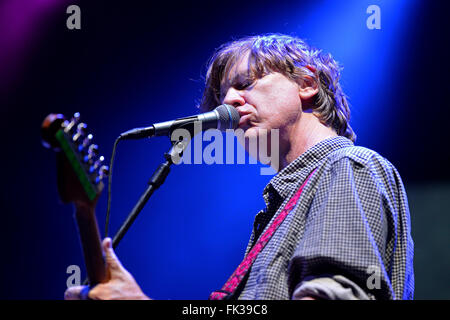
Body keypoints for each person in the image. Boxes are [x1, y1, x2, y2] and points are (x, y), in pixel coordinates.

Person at [65, 33, 414, 300]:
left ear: (307, 84)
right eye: (223, 94)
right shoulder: (282, 205)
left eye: (245, 84)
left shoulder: (348, 166)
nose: (229, 101)